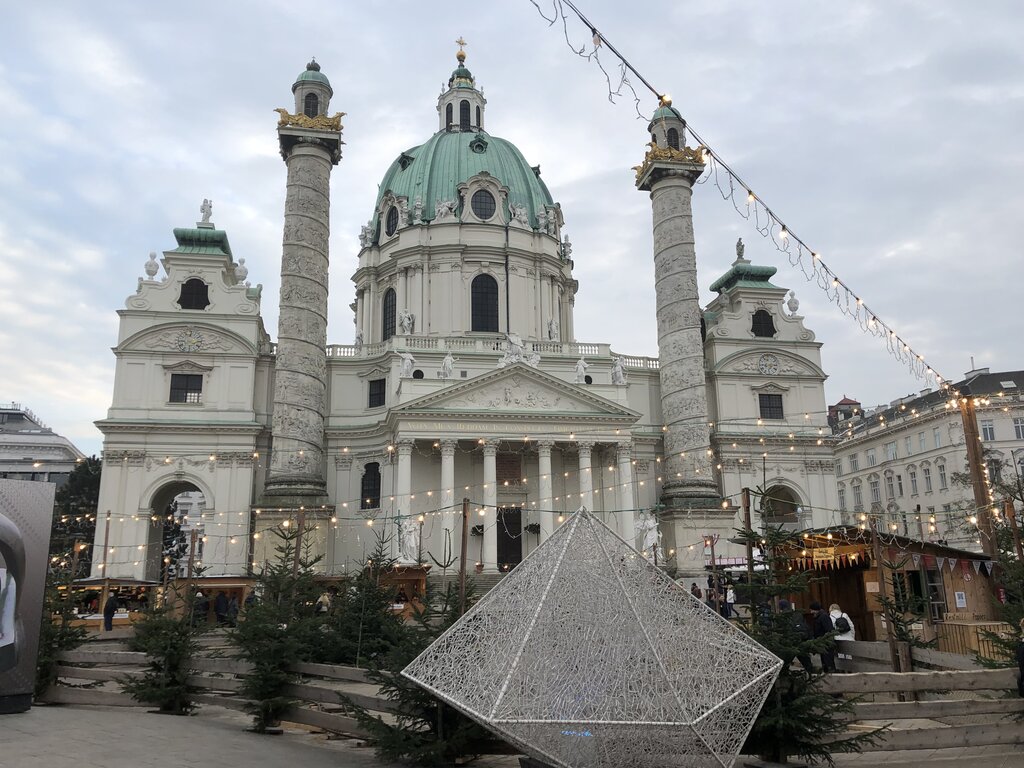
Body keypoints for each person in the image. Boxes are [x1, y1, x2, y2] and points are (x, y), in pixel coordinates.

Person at [779, 599, 814, 673]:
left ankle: (783, 677)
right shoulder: (798, 614)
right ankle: (811, 676)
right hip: (801, 641)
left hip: (790, 643)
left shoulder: (782, 616)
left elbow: (781, 630)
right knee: (806, 662)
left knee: (785, 663)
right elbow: (806, 626)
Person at [809, 601, 836, 672]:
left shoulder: (823, 617)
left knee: (828, 663)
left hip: (826, 645)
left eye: (812, 610)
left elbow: (829, 630)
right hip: (823, 644)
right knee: (825, 664)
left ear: (816, 609)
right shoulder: (818, 617)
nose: (811, 612)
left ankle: (832, 677)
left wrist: (826, 641)